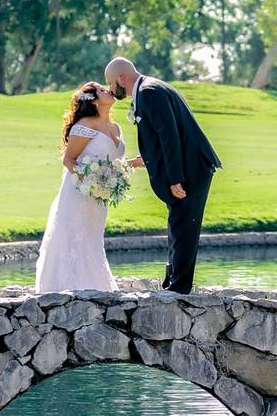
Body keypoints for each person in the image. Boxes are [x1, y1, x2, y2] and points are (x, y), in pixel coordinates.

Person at [104, 57, 221, 294]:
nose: (110, 90)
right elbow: (161, 136)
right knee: (178, 222)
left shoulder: (149, 92)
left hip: (190, 167)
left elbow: (170, 137)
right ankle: (174, 280)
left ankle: (179, 288)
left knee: (184, 224)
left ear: (120, 78)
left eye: (110, 84)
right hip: (189, 164)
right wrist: (143, 160)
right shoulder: (150, 88)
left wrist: (175, 178)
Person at [34, 82, 140, 292]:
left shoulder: (116, 127)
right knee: (73, 237)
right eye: (102, 90)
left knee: (92, 239)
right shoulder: (86, 125)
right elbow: (69, 159)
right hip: (78, 193)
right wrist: (89, 182)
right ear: (93, 100)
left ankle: (98, 287)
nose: (109, 90)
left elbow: (112, 163)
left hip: (100, 197)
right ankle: (66, 289)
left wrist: (133, 163)